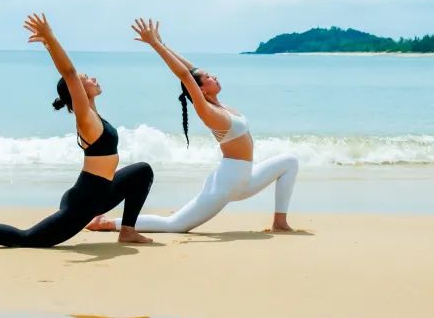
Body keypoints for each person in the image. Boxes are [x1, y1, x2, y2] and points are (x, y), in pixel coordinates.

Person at [0, 13, 154, 248]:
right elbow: (69, 73)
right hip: (84, 202)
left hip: (103, 191)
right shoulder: (86, 120)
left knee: (142, 171)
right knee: (27, 239)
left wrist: (48, 43)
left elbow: (72, 78)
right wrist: (50, 39)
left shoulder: (95, 115)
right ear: (78, 91)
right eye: (86, 78)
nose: (93, 78)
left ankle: (128, 230)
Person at [89, 19, 298, 235]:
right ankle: (107, 223)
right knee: (176, 225)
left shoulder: (221, 105)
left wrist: (163, 43)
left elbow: (191, 70)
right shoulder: (209, 112)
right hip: (228, 183)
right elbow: (185, 75)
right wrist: (155, 45)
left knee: (290, 161)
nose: (213, 76)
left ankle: (279, 222)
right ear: (202, 91)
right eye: (208, 78)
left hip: (246, 177)